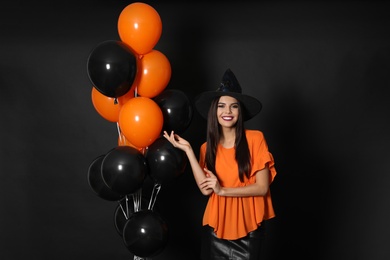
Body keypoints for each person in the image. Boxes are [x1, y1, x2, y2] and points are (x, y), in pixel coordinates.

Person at [163, 68, 277, 260]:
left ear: (240, 112)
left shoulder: (255, 139)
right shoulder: (206, 148)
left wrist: (223, 190)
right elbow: (206, 190)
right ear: (214, 111)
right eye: (221, 106)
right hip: (216, 229)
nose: (227, 112)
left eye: (234, 107)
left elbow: (262, 187)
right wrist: (189, 150)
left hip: (250, 230)